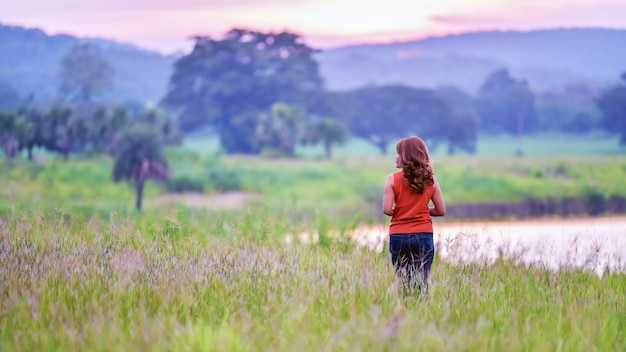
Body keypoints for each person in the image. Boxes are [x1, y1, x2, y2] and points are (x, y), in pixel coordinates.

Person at [382, 136, 446, 295]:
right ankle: (421, 313)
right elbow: (440, 210)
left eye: (399, 153)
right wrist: (420, 211)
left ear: (408, 157)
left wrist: (403, 210)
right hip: (423, 235)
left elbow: (387, 210)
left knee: (403, 281)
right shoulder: (431, 180)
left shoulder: (392, 179)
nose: (395, 157)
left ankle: (405, 313)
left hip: (399, 236)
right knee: (422, 282)